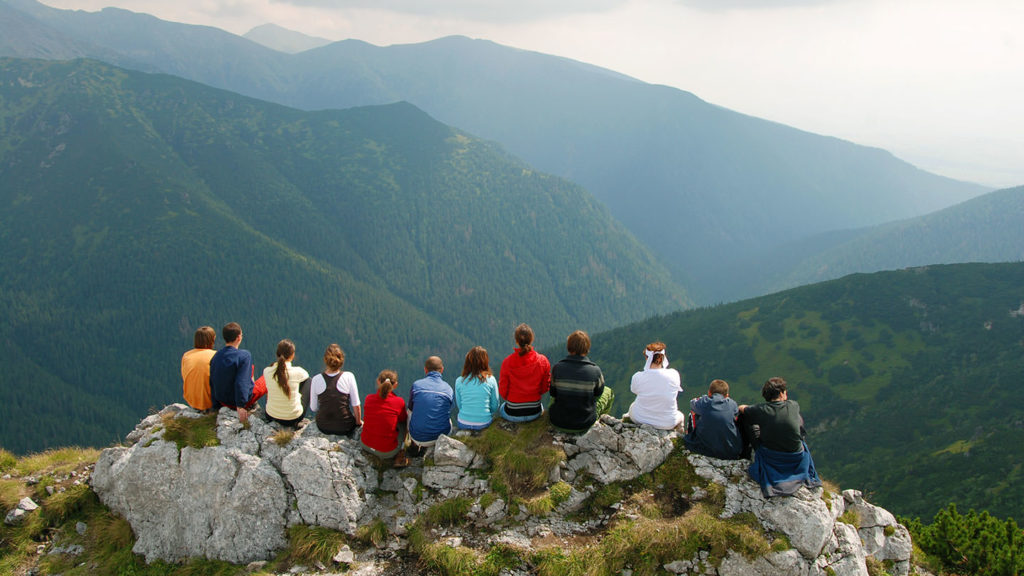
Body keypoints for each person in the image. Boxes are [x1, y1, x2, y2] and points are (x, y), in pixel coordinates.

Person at [739, 377, 821, 497]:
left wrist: (750, 410)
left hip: (772, 456)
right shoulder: (793, 405)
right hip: (796, 456)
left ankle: (743, 454)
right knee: (797, 420)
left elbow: (741, 408)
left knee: (746, 418)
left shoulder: (760, 410)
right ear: (782, 394)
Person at [549, 330, 614, 433]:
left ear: (569, 347)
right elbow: (598, 393)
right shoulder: (595, 370)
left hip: (558, 422)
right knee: (608, 391)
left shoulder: (557, 368)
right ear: (587, 348)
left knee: (555, 396)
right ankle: (600, 420)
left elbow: (553, 393)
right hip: (585, 424)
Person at [209, 322, 266, 423]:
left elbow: (212, 380)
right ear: (239, 337)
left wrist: (215, 405)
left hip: (222, 400)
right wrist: (240, 406)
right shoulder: (244, 356)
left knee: (250, 368)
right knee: (268, 378)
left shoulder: (216, 355)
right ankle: (270, 412)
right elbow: (241, 382)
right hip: (236, 402)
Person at [498, 323, 551, 422]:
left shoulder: (507, 362)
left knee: (501, 408)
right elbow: (545, 387)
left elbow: (503, 391)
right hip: (534, 411)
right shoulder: (542, 361)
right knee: (541, 406)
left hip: (512, 411)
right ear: (532, 339)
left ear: (516, 341)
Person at [627, 342, 684, 430]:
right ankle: (679, 434)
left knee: (633, 406)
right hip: (668, 422)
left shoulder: (638, 377)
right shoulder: (674, 374)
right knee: (680, 415)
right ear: (663, 357)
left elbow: (634, 390)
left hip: (641, 419)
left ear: (647, 358)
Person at [309, 344, 362, 436]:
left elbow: (314, 408)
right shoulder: (349, 376)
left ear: (325, 360)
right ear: (341, 360)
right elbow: (356, 405)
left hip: (323, 426)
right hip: (345, 426)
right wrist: (358, 422)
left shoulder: (316, 379)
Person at [683, 379, 742, 460]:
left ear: (709, 393)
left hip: (705, 450)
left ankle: (691, 435)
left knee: (693, 413)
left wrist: (703, 398)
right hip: (730, 451)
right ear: (727, 396)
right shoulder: (732, 404)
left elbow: (692, 403)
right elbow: (736, 412)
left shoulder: (705, 401)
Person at [360, 370, 408, 466]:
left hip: (365, 444)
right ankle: (401, 452)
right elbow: (403, 419)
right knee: (404, 424)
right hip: (387, 452)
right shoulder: (399, 402)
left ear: (378, 381)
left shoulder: (369, 398)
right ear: (395, 385)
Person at [407, 356, 454, 451]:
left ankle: (413, 444)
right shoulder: (448, 389)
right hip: (439, 436)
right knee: (448, 418)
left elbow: (410, 408)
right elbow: (449, 409)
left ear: (425, 370)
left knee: (409, 412)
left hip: (416, 436)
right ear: (442, 370)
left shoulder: (416, 385)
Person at [263, 339, 310, 428]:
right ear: (292, 355)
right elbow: (306, 376)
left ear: (277, 354)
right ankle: (292, 406)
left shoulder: (267, 371)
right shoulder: (298, 372)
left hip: (271, 415)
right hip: (293, 418)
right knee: (308, 381)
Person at [454, 346, 501, 430]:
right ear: (485, 361)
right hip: (484, 423)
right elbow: (495, 405)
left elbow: (460, 405)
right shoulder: (491, 379)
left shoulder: (459, 381)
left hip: (463, 423)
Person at [181, 326, 216, 411]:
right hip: (210, 402)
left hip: (192, 401)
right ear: (212, 339)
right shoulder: (215, 355)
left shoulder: (187, 355)